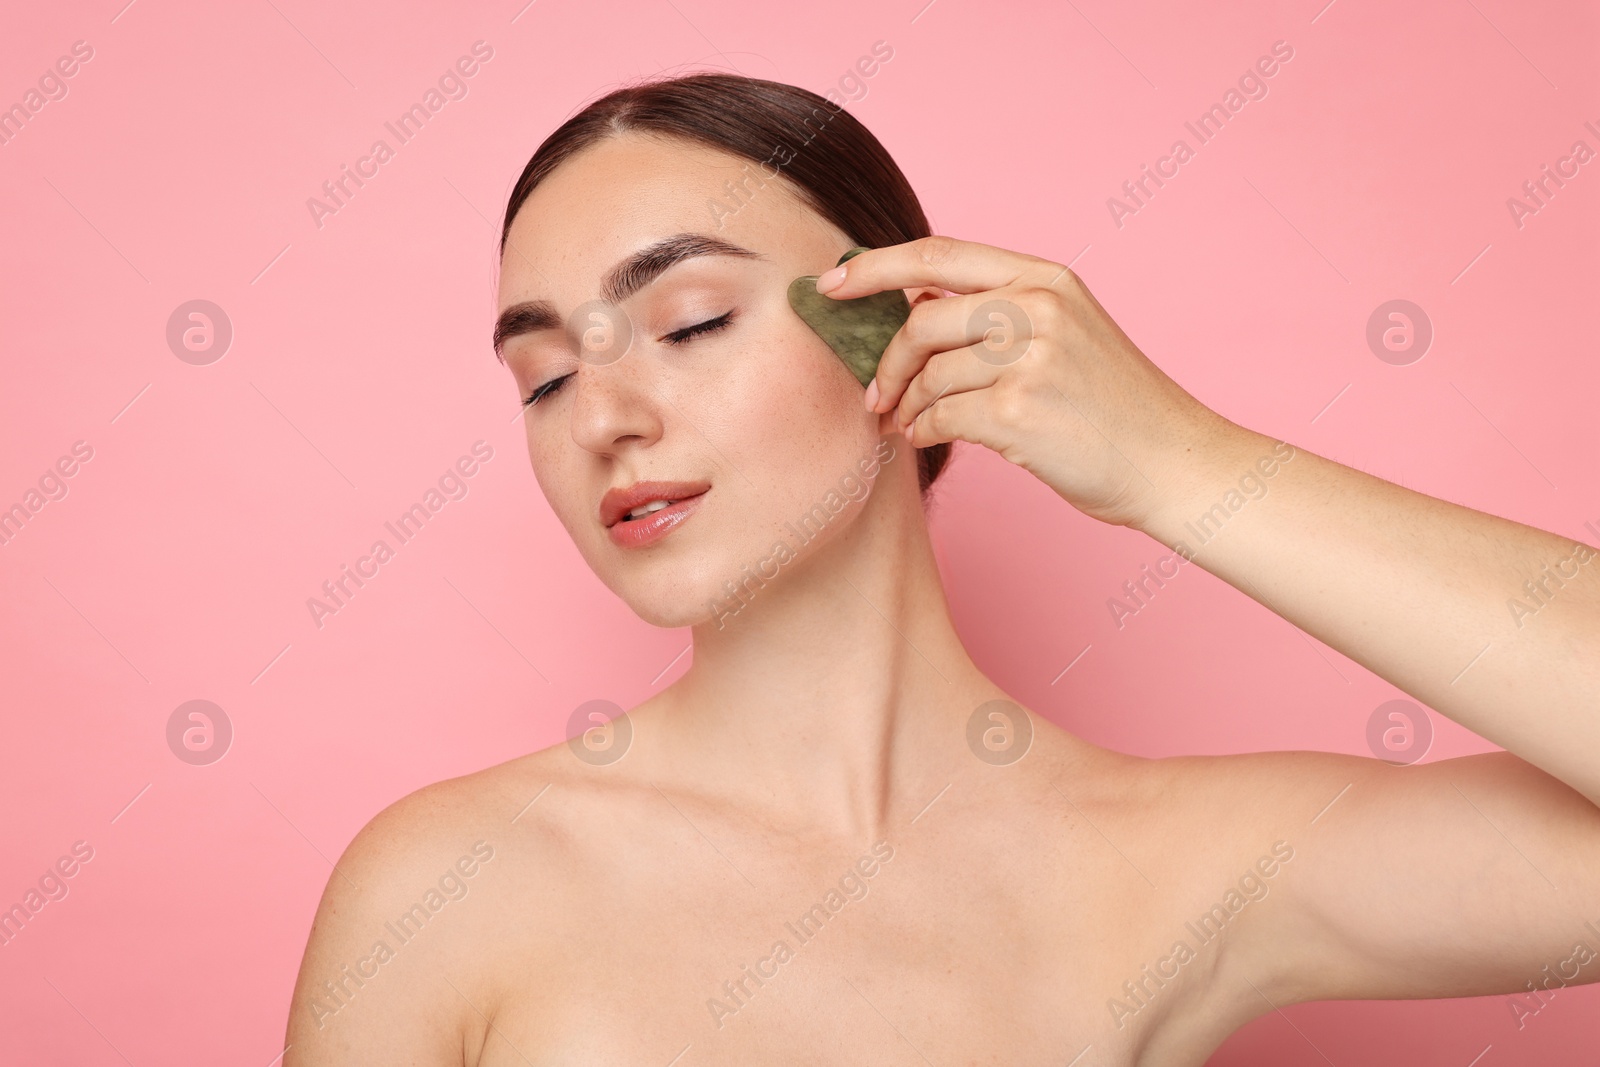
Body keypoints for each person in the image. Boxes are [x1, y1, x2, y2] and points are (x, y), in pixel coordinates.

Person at [284, 72, 1600, 1066]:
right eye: (545, 374)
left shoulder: (1178, 865)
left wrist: (1177, 463)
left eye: (689, 322)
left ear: (902, 331)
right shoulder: (444, 887)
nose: (601, 418)